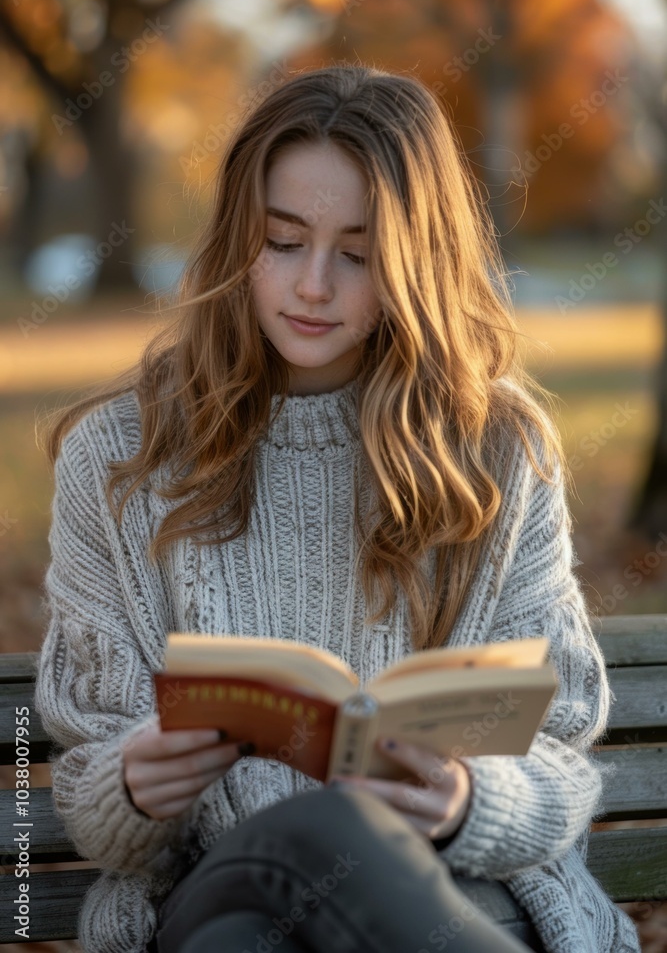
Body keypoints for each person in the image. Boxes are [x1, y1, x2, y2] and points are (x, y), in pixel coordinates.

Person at [34, 63, 641, 953]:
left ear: (412, 262)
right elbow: (86, 780)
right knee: (305, 850)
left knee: (312, 872)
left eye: (356, 256)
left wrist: (472, 800)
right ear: (239, 237)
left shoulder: (493, 449)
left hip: (454, 893)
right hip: (217, 888)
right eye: (282, 242)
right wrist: (132, 785)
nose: (314, 285)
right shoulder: (120, 459)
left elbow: (557, 756)